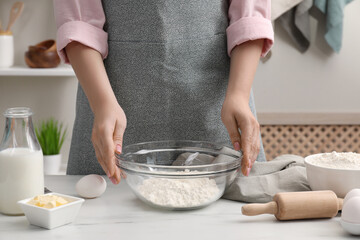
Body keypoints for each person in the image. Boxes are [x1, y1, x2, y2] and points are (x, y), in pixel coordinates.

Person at [53, 0, 274, 184]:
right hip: (110, 103)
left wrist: (238, 95)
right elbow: (78, 22)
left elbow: (250, 16)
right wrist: (102, 104)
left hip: (217, 107)